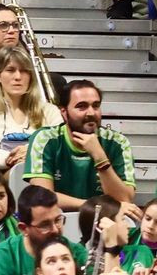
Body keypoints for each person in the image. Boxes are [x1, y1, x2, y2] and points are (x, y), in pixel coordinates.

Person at [24, 79, 136, 209]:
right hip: (58, 220)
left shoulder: (118, 143)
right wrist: (94, 207)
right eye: (82, 106)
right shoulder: (45, 139)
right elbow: (43, 197)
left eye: (96, 105)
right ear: (63, 112)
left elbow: (124, 199)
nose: (91, 113)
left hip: (104, 222)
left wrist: (101, 158)